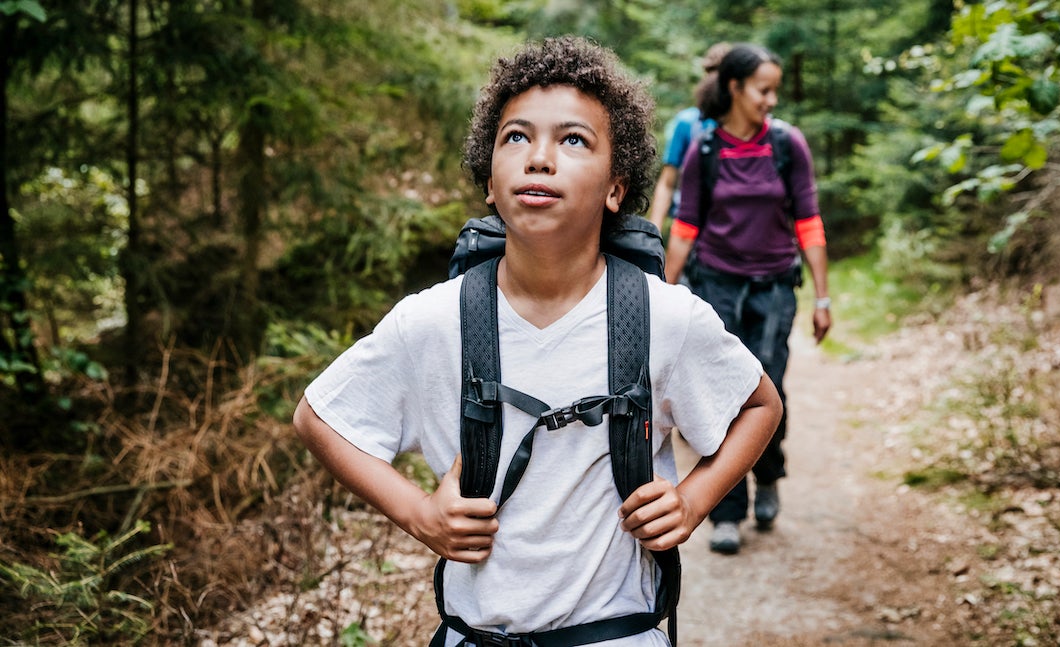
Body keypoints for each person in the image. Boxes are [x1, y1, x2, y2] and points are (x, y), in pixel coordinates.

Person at [293, 36, 782, 646]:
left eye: (573, 140)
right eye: (515, 137)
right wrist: (419, 513)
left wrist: (694, 500)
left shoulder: (665, 317)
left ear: (615, 188)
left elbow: (760, 404)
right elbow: (319, 416)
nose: (540, 158)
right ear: (489, 184)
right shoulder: (432, 321)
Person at [663, 43, 832, 555]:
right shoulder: (704, 150)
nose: (771, 99)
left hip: (776, 286)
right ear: (734, 88)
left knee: (769, 388)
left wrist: (822, 297)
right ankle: (728, 512)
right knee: (725, 398)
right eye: (763, 89)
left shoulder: (787, 145)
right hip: (716, 285)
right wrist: (663, 293)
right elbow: (685, 227)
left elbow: (808, 220)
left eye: (775, 89)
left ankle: (771, 474)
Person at [647, 42, 730, 235]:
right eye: (711, 72)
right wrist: (653, 234)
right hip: (688, 226)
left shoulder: (743, 125)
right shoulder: (687, 123)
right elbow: (667, 181)